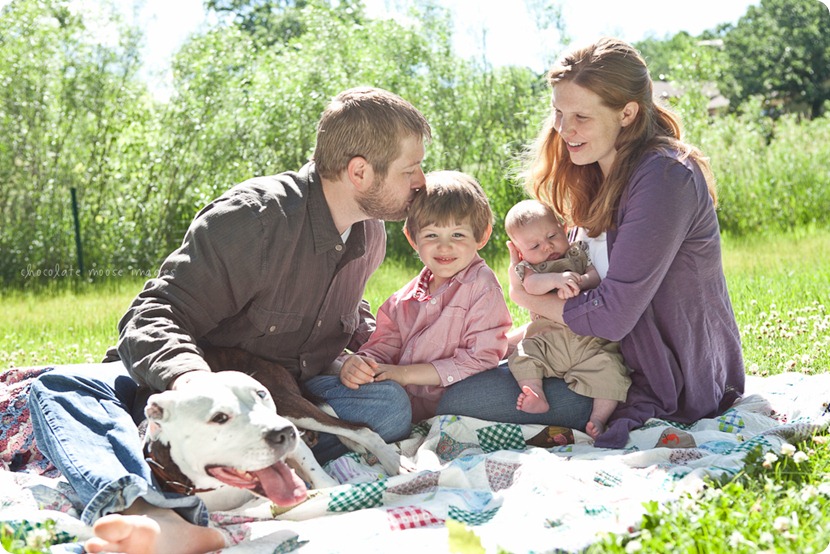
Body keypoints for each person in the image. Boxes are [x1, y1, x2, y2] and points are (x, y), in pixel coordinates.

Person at [27, 87, 432, 554]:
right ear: (360, 172)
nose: (422, 180)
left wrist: (367, 352)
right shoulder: (254, 219)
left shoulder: (371, 232)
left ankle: (243, 463)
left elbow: (344, 312)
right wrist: (194, 381)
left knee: (388, 407)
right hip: (193, 395)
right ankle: (148, 512)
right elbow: (153, 313)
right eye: (410, 169)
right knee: (61, 386)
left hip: (283, 394)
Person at [436, 37, 745, 449]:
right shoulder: (595, 176)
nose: (564, 130)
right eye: (559, 113)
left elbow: (612, 316)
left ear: (628, 114)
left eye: (581, 115)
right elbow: (584, 295)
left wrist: (524, 296)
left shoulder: (665, 177)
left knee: (456, 397)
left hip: (654, 375)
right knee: (461, 367)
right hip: (589, 352)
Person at [337, 170, 512, 423]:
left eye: (458, 235)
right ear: (412, 238)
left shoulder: (481, 286)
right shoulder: (403, 300)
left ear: (482, 236)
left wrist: (405, 374)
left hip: (463, 399)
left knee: (465, 397)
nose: (444, 246)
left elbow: (481, 358)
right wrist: (361, 365)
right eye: (431, 235)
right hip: (409, 406)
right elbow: (384, 348)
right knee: (366, 397)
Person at [504, 199, 630, 439]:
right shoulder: (530, 269)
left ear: (563, 227)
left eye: (552, 235)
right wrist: (556, 280)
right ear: (520, 252)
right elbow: (530, 286)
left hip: (588, 343)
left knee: (612, 368)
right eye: (534, 246)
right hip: (548, 342)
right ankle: (537, 394)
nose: (546, 246)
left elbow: (594, 276)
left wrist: (580, 281)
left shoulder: (577, 252)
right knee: (522, 356)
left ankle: (598, 418)